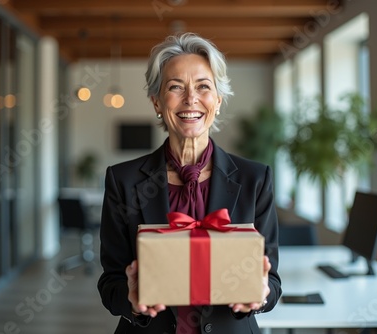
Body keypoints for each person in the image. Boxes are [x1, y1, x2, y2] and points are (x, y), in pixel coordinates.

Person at [97, 32, 282, 334]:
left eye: (203, 87)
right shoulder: (123, 180)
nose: (191, 98)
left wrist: (261, 296)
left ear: (218, 101)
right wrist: (131, 300)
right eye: (175, 87)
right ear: (156, 102)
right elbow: (110, 281)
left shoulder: (255, 179)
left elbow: (272, 281)